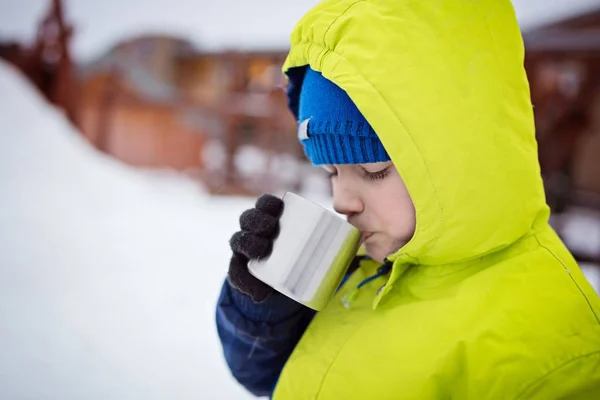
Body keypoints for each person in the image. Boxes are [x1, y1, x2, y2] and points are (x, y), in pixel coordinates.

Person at [215, 0, 600, 398]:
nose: (343, 201)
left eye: (373, 170)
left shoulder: (554, 349)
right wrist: (265, 308)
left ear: (458, 159)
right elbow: (260, 376)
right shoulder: (357, 267)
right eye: (331, 173)